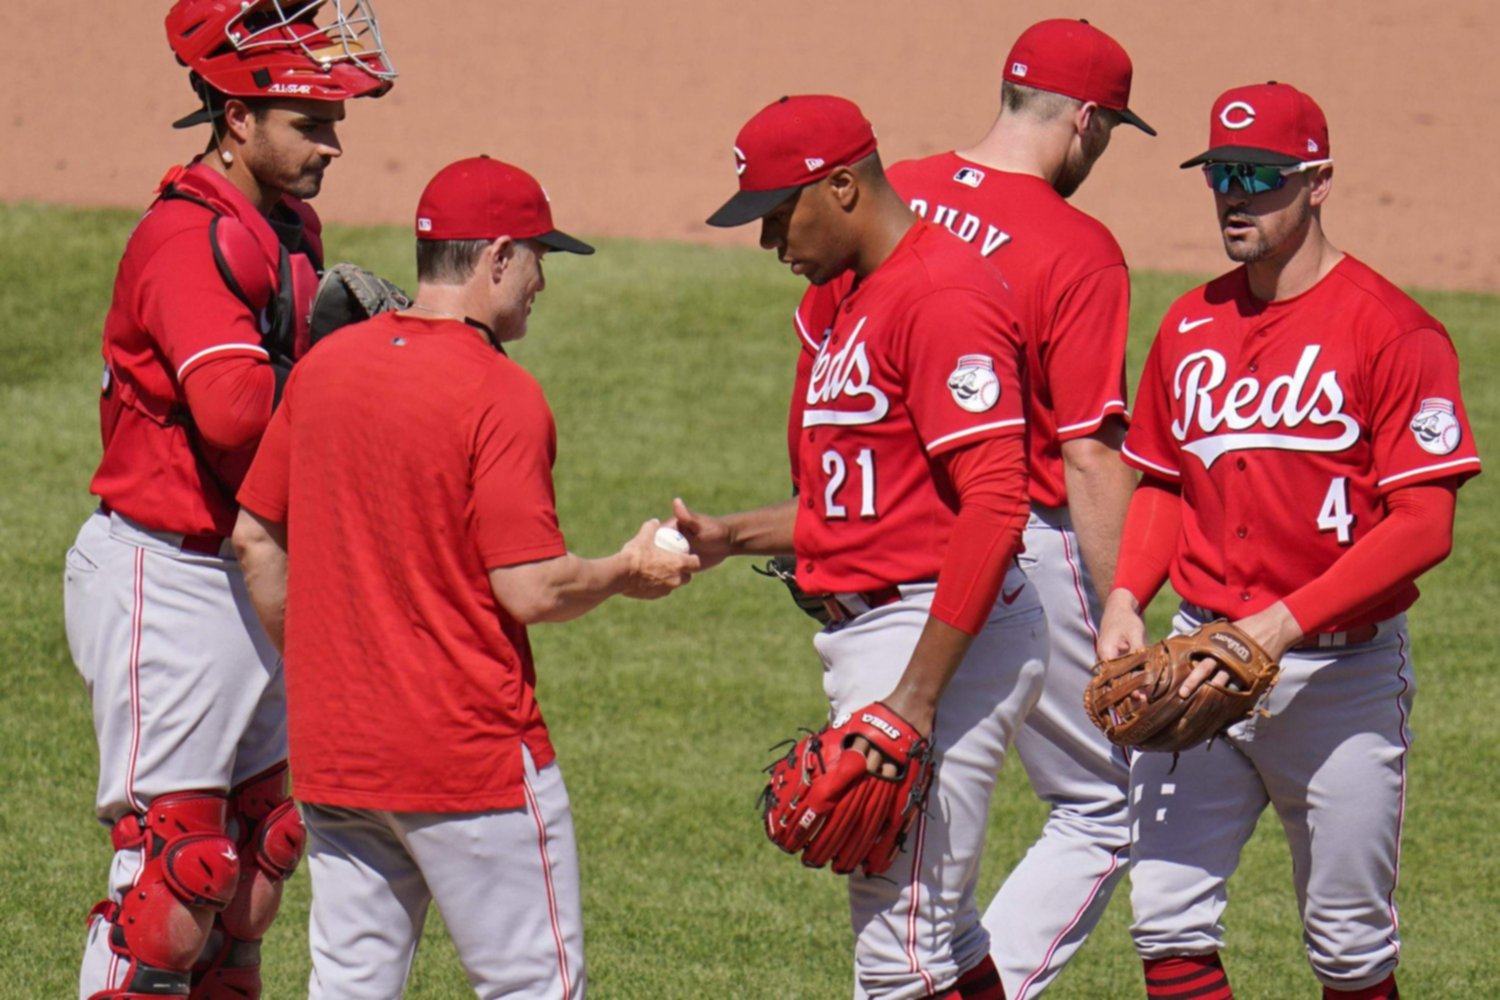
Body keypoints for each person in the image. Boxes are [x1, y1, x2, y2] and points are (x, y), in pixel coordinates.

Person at [233, 155, 698, 998]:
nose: (541, 283)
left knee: (347, 987)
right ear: (496, 258)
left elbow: (255, 541)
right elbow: (530, 587)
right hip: (468, 762)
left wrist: (320, 666)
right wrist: (627, 569)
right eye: (537, 260)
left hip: (339, 754)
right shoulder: (499, 395)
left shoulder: (323, 371)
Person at [1095, 82, 1481, 999]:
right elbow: (1162, 481)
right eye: (1222, 175)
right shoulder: (1190, 323)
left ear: (1319, 183)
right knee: (1167, 922)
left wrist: (1282, 623)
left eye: (1261, 177)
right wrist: (1123, 597)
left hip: (1340, 678)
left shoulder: (1394, 331)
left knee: (1348, 943)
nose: (1235, 195)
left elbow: (1426, 522)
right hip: (1196, 653)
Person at [63, 2, 395, 996]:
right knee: (171, 877)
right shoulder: (187, 241)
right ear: (236, 117)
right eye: (312, 121)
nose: (333, 143)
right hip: (168, 579)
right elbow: (241, 418)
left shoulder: (284, 222)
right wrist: (353, 368)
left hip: (245, 571)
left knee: (248, 877)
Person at [685, 94, 1046, 999]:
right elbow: (861, 512)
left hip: (936, 634)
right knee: (943, 939)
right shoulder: (851, 301)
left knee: (898, 952)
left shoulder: (941, 297)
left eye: (778, 213)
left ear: (842, 185)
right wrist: (728, 537)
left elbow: (999, 503)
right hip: (888, 627)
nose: (770, 240)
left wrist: (915, 699)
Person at [862, 20, 1153, 996]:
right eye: (1106, 130)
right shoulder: (1079, 248)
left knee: (914, 796)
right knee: (1107, 802)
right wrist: (1126, 609)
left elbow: (836, 372)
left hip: (894, 534)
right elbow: (1085, 451)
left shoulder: (891, 194)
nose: (1101, 150)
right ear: (1084, 119)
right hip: (1020, 541)